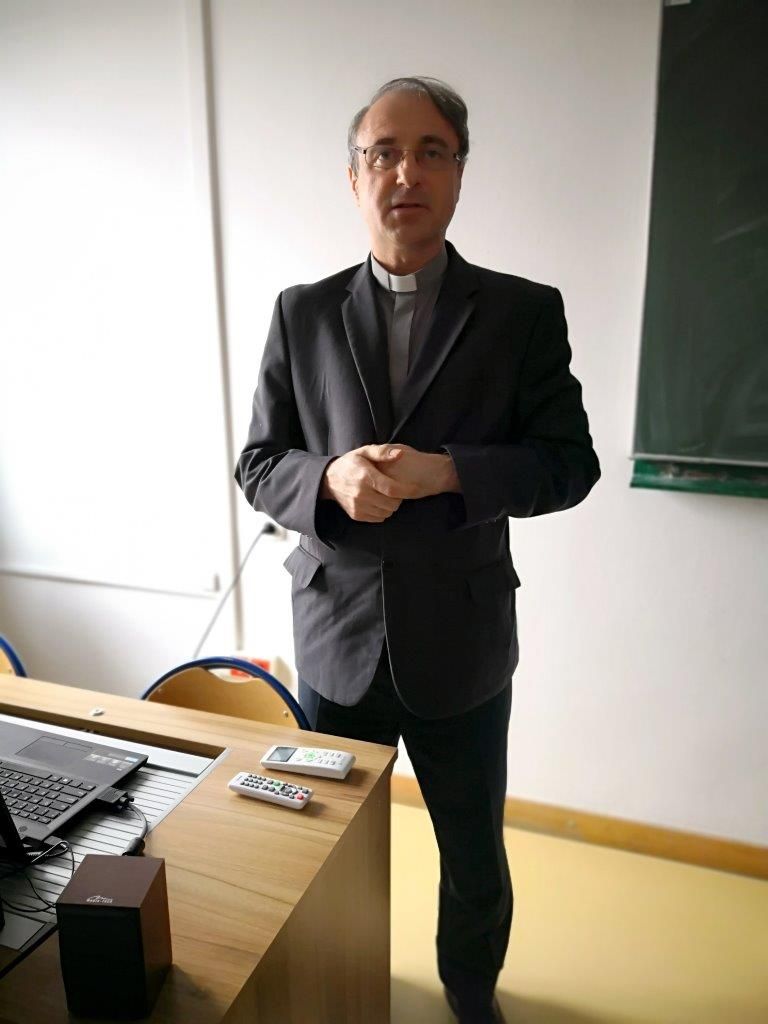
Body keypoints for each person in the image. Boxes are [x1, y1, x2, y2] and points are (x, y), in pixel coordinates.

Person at [235, 76, 600, 1024]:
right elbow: (258, 463)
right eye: (385, 153)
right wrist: (327, 480)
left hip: (463, 644)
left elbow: (570, 464)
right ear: (355, 176)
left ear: (460, 172)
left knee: (473, 855)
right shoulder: (301, 312)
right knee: (319, 848)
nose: (407, 172)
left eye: (431, 151)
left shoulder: (523, 313)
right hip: (336, 642)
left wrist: (450, 474)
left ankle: (471, 995)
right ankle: (332, 989)